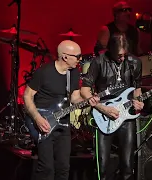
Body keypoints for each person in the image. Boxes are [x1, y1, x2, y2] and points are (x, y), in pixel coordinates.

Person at [23, 40, 99, 180]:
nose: (80, 59)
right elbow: (27, 95)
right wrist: (37, 118)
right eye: (78, 56)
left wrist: (88, 101)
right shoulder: (44, 72)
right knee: (46, 168)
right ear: (65, 57)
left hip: (63, 123)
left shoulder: (74, 73)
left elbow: (74, 97)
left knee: (64, 168)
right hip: (43, 122)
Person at [81, 33, 144, 180]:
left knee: (128, 163)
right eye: (118, 55)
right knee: (102, 163)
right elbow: (85, 91)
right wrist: (103, 109)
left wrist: (138, 102)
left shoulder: (135, 62)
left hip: (126, 116)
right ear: (110, 50)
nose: (121, 58)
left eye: (124, 55)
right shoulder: (98, 62)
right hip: (103, 113)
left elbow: (137, 89)